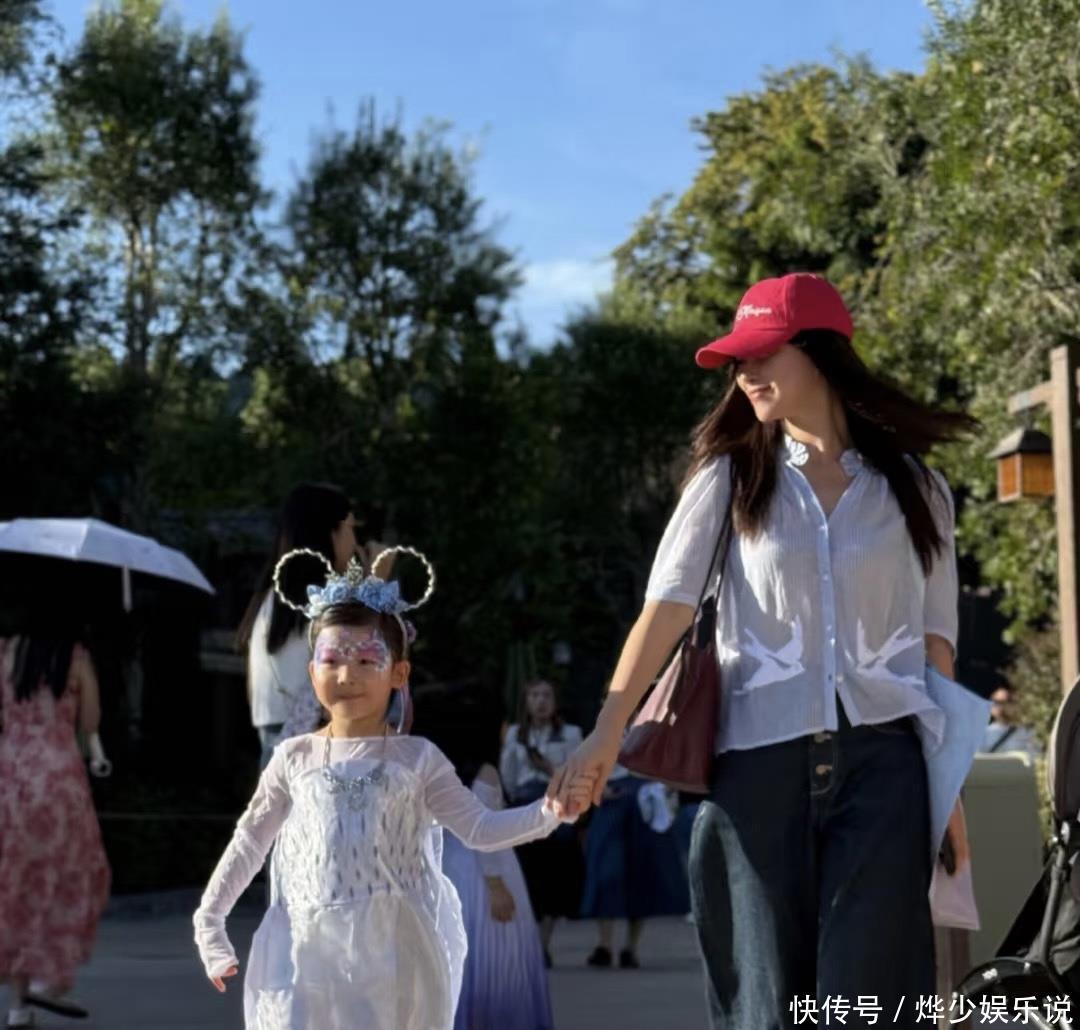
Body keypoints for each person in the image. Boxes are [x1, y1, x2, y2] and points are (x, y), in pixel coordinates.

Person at [549, 272, 980, 1029]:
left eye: (762, 353)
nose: (745, 373)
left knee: (868, 1006)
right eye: (737, 361)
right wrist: (606, 733)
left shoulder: (918, 489)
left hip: (884, 770)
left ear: (820, 352)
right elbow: (667, 609)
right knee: (767, 1009)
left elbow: (933, 649)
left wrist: (949, 793)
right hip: (755, 771)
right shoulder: (729, 477)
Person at [193, 546, 592, 1030]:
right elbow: (250, 842)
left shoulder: (418, 759)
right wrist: (210, 921)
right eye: (332, 659)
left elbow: (480, 829)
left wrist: (550, 812)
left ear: (398, 673)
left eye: (367, 660)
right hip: (309, 954)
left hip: (396, 956)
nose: (347, 675)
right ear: (312, 671)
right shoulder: (292, 758)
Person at [0, 610, 111, 1029]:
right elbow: (90, 721)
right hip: (58, 779)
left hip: (10, 778)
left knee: (15, 887)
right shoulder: (75, 656)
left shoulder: (5, 652)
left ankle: (18, 1007)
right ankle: (48, 979)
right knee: (70, 877)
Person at [422, 695, 554, 1030]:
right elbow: (486, 832)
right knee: (496, 956)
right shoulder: (485, 772)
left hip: (449, 868)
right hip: (485, 873)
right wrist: (496, 884)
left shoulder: (435, 772)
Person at [237, 482, 362, 768]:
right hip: (318, 746)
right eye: (351, 528)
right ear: (330, 532)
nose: (355, 543)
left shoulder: (268, 601)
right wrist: (377, 580)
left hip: (275, 743)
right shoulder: (329, 600)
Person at [500, 680, 584, 967]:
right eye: (535, 695)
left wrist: (548, 768)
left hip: (555, 805)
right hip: (525, 804)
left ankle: (543, 943)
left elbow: (575, 772)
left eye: (547, 695)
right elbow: (508, 775)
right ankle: (528, 942)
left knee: (555, 878)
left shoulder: (570, 734)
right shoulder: (515, 733)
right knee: (527, 875)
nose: (541, 702)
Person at [580, 764, 688, 970]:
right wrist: (597, 787)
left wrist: (668, 784)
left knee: (641, 873)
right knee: (606, 872)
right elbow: (590, 761)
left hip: (644, 798)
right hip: (612, 796)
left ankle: (630, 947)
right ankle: (605, 944)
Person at [980, 685, 1041, 761]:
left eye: (1007, 702)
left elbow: (1035, 760)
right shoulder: (983, 734)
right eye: (996, 702)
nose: (1001, 706)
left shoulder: (1028, 733)